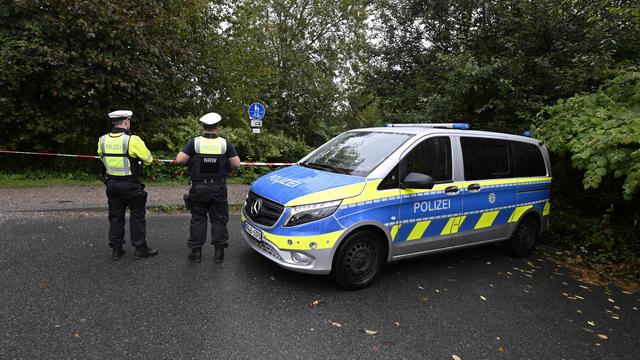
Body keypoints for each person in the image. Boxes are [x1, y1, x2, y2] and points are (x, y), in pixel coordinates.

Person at [176, 112, 241, 263]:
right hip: (218, 188)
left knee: (198, 219)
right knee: (219, 220)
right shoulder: (225, 144)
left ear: (203, 127)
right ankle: (219, 254)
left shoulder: (195, 143)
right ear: (217, 127)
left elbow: (179, 160)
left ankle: (196, 253)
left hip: (198, 188)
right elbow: (236, 164)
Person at [97, 110, 158, 260]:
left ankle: (116, 250)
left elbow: (101, 156)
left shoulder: (102, 140)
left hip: (111, 184)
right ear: (125, 122)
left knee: (116, 217)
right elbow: (149, 159)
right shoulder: (132, 140)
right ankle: (140, 249)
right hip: (130, 184)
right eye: (129, 121)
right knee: (137, 216)